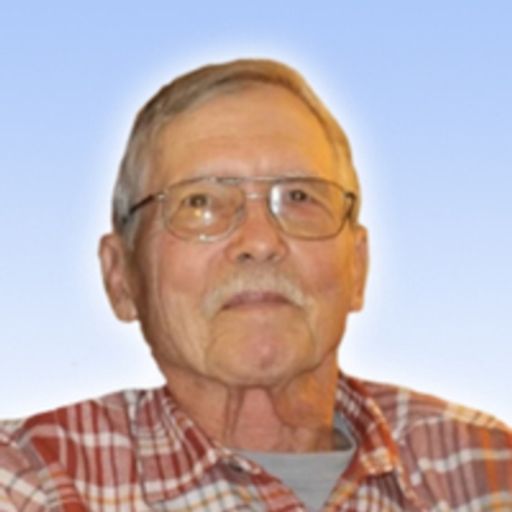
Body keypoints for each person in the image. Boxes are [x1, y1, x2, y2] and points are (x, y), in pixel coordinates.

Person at [1, 59, 511, 512]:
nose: (261, 242)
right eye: (199, 202)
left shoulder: (486, 469)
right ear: (121, 279)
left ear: (357, 267)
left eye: (299, 197)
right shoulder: (30, 478)